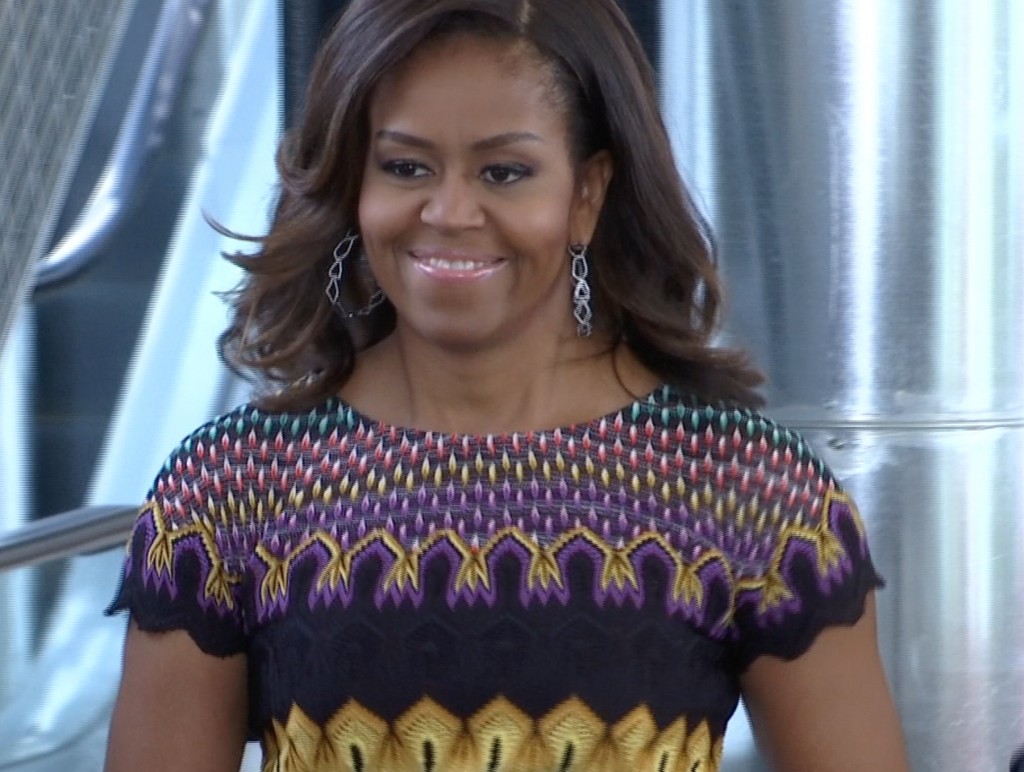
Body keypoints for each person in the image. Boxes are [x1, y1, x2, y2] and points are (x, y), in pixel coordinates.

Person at [104, 0, 909, 769]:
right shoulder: (229, 489)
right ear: (357, 183)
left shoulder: (745, 489)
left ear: (587, 194)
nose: (449, 210)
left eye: (505, 171)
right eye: (406, 165)